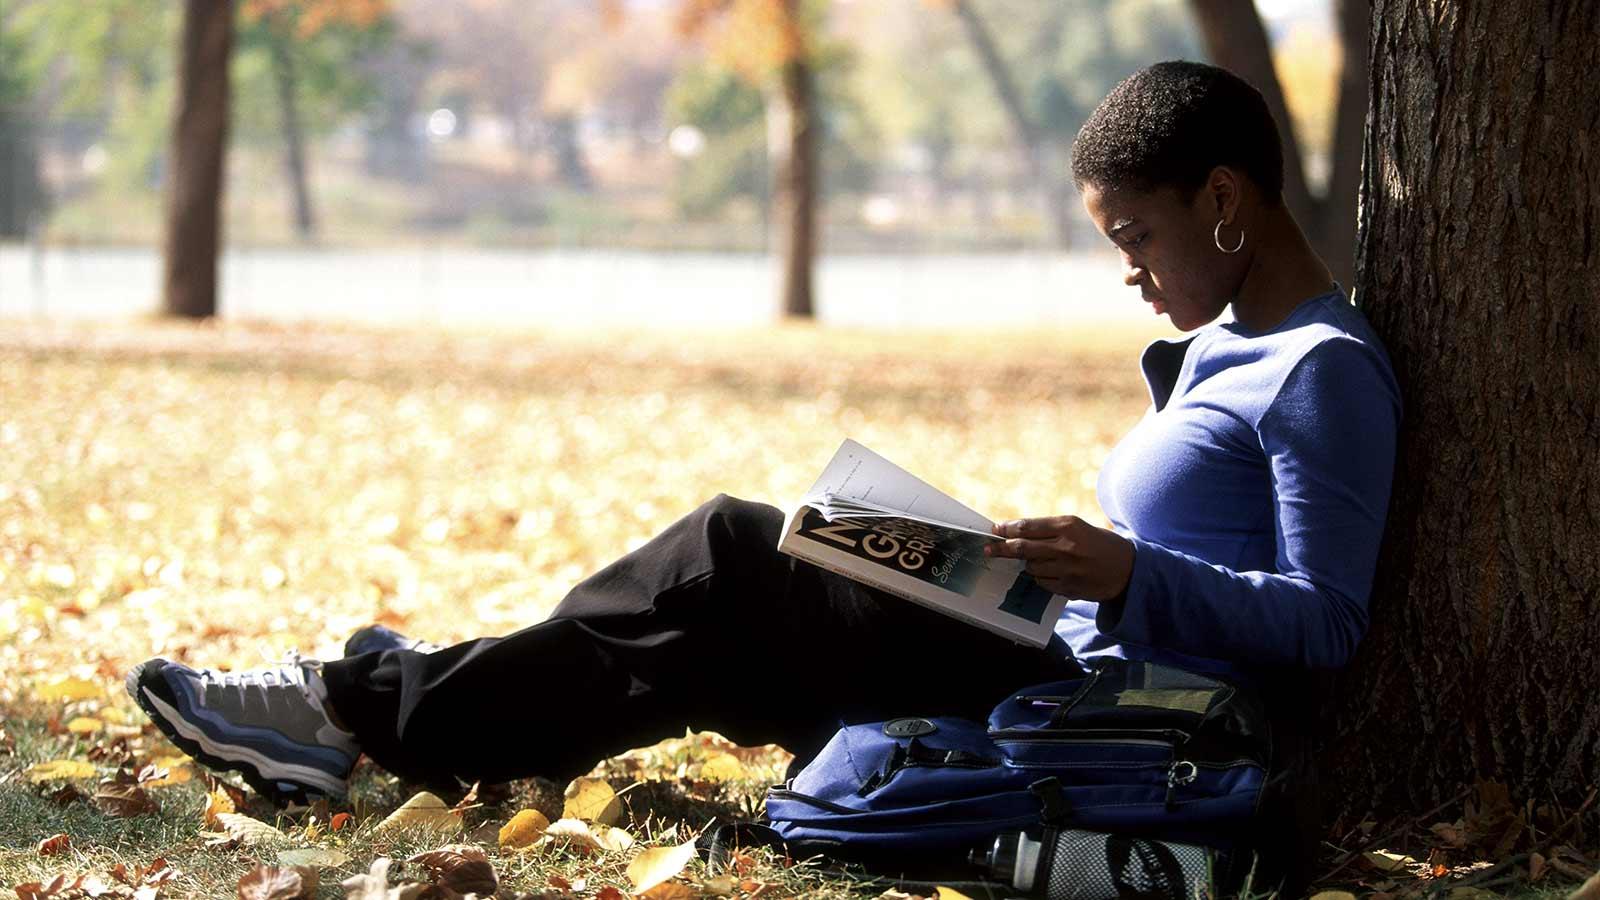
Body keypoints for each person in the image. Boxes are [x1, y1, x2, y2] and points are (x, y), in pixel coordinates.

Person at [126, 60, 1399, 885]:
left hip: (1108, 713)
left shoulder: (1321, 369)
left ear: (1225, 200)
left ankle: (350, 707)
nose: (1127, 268)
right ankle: (382, 712)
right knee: (706, 630)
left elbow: (1326, 628)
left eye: (1136, 234)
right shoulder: (1229, 341)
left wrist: (1125, 572)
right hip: (1044, 650)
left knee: (731, 551)